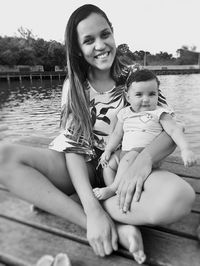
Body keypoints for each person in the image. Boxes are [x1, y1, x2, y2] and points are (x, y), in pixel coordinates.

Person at [0, 4, 195, 265]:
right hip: (84, 166)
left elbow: (169, 125)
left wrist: (144, 161)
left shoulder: (135, 75)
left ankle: (73, 204)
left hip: (126, 164)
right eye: (89, 40)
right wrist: (92, 212)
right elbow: (73, 147)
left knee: (179, 198)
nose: (100, 45)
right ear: (78, 49)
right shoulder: (74, 85)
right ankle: (94, 217)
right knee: (4, 157)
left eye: (105, 34)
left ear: (113, 33)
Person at [93, 69, 197, 201]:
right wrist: (108, 150)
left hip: (145, 154)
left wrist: (185, 149)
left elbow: (174, 130)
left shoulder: (160, 113)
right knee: (108, 164)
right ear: (128, 97)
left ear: (158, 95)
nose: (146, 99)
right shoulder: (125, 113)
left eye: (152, 94)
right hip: (125, 152)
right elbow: (117, 134)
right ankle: (116, 191)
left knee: (128, 158)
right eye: (139, 94)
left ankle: (113, 188)